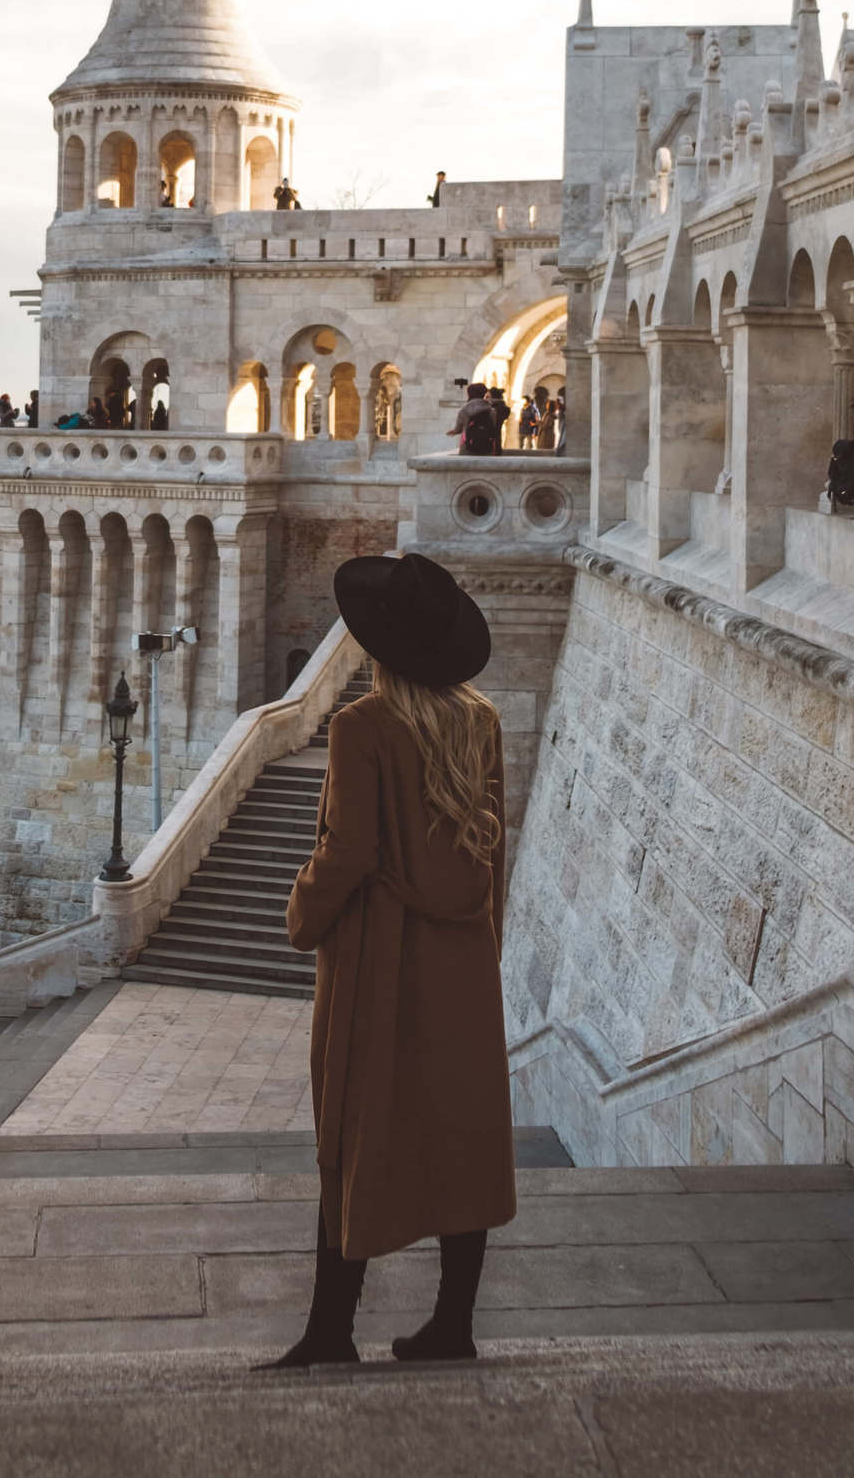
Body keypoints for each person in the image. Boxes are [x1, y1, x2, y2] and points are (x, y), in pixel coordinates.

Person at [259, 552, 513, 1369]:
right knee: (462, 1139)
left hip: (381, 957)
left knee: (353, 1136)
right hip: (462, 960)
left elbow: (349, 847)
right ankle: (454, 1325)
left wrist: (303, 911)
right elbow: (493, 851)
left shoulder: (363, 727)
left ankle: (332, 1329)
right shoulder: (480, 722)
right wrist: (487, 945)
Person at [448, 382, 498, 456]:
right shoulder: (492, 411)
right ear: (483, 393)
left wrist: (453, 432)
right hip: (487, 448)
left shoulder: (464, 410)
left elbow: (458, 429)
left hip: (467, 447)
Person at [486, 385, 511, 450]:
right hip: (496, 435)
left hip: (491, 435)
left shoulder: (494, 406)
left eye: (488, 396)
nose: (486, 398)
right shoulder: (502, 405)